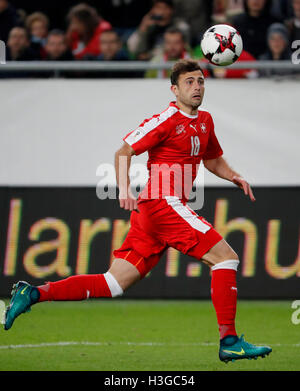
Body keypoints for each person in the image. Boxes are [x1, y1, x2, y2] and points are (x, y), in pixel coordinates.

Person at [4, 58, 272, 363]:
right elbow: (124, 151)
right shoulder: (166, 120)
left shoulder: (205, 120)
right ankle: (230, 341)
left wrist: (233, 175)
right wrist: (124, 189)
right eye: (189, 82)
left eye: (200, 81)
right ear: (174, 89)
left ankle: (33, 293)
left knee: (113, 283)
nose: (196, 86)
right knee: (226, 258)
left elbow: (211, 159)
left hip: (158, 212)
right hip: (161, 202)